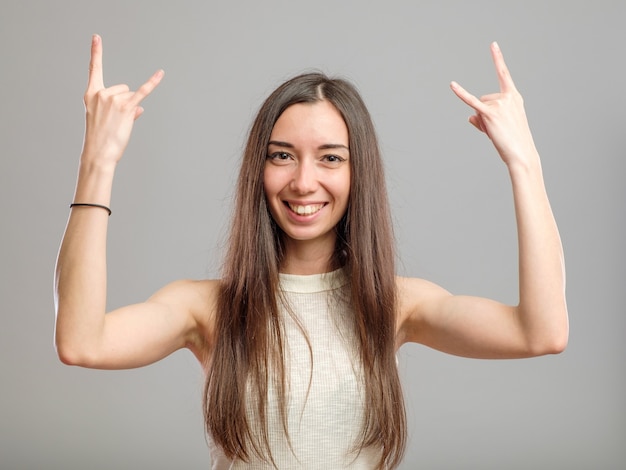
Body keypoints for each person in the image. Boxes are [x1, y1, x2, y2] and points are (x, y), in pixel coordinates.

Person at [54, 35, 568, 469]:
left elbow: (541, 332)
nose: (304, 181)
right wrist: (97, 161)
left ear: (356, 173)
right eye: (282, 156)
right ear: (259, 169)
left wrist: (526, 163)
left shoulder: (396, 304)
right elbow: (83, 343)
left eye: (330, 158)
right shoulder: (205, 308)